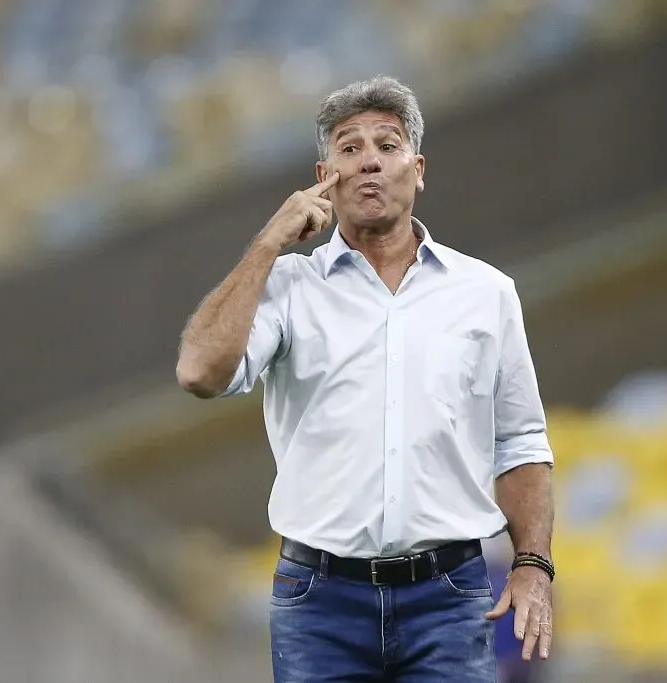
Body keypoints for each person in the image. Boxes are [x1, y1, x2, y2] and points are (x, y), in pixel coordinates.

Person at [176, 76, 555, 683]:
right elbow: (198, 372)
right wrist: (268, 244)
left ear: (418, 168)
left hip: (451, 595)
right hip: (319, 600)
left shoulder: (487, 293)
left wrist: (533, 563)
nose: (370, 161)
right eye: (350, 148)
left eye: (389, 144)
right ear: (323, 175)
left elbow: (521, 442)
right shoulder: (287, 288)